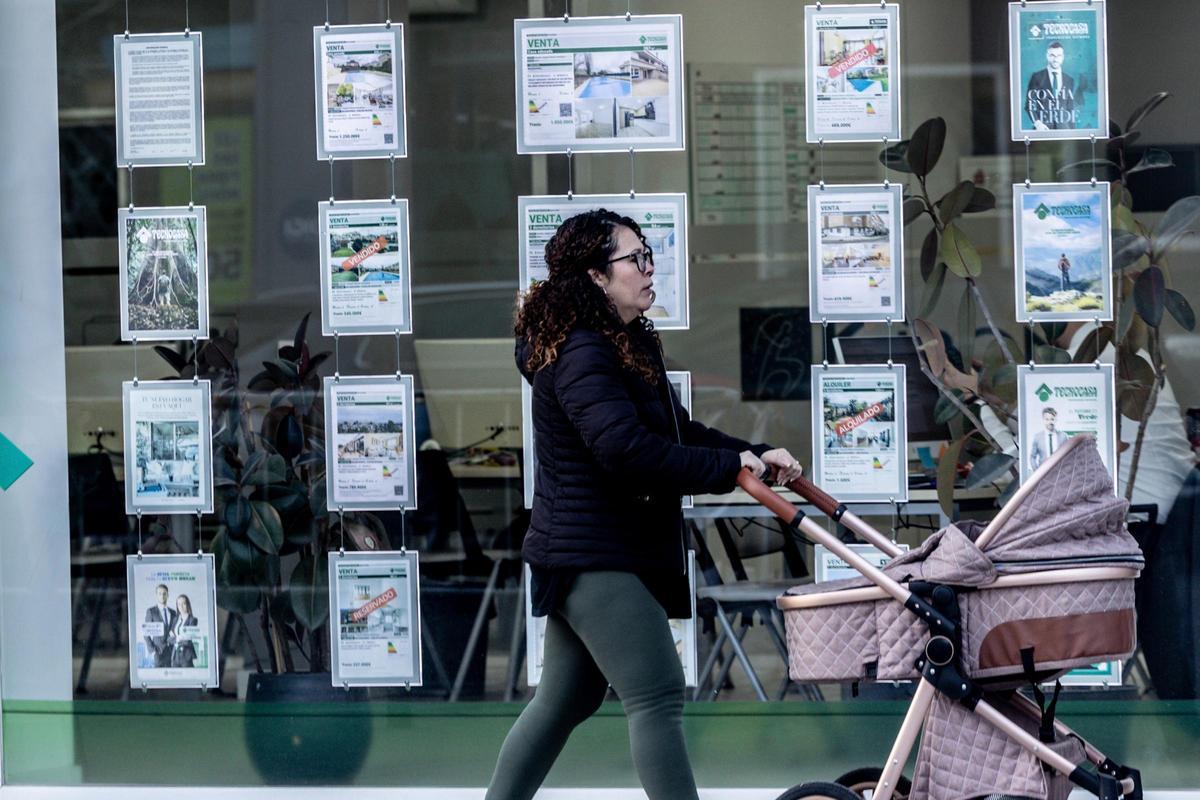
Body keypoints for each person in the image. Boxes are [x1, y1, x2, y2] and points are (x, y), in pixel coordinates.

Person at [488, 209, 802, 800]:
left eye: (648, 253)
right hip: (593, 554)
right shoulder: (582, 352)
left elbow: (677, 434)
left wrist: (753, 454)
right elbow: (625, 452)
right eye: (635, 258)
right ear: (596, 277)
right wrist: (730, 470)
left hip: (601, 548)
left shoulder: (626, 342)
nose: (649, 266)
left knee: (564, 701)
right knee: (657, 691)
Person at [1025, 41, 1077, 130]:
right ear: (1047, 56)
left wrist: (1072, 132)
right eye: (1052, 55)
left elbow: (1070, 108)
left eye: (1059, 56)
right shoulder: (1037, 77)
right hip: (1041, 132)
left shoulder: (1069, 80)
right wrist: (1038, 124)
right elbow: (1029, 106)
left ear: (1063, 57)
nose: (1055, 59)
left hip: (1063, 132)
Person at [144, 583, 176, 668]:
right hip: (158, 652)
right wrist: (153, 651)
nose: (162, 596)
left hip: (171, 651)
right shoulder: (151, 611)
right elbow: (146, 633)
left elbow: (175, 631)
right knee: (158, 677)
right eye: (160, 593)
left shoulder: (173, 613)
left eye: (164, 593)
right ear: (156, 595)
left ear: (167, 595)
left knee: (171, 677)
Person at [169, 594, 198, 669]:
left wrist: (175, 638)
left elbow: (188, 640)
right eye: (179, 604)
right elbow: (169, 639)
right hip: (175, 656)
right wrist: (180, 637)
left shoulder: (192, 620)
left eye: (183, 604)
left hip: (186, 655)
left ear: (187, 605)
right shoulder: (175, 620)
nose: (181, 606)